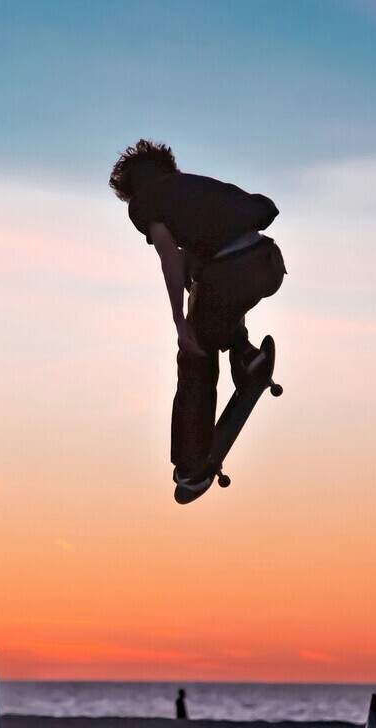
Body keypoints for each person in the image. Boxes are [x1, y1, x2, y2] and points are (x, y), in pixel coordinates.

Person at [109, 140, 287, 503]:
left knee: (194, 355)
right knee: (208, 301)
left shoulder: (147, 202)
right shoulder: (192, 190)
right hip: (267, 262)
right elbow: (195, 256)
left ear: (132, 191)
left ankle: (191, 466)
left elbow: (168, 259)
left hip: (231, 273)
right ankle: (245, 356)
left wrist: (178, 321)